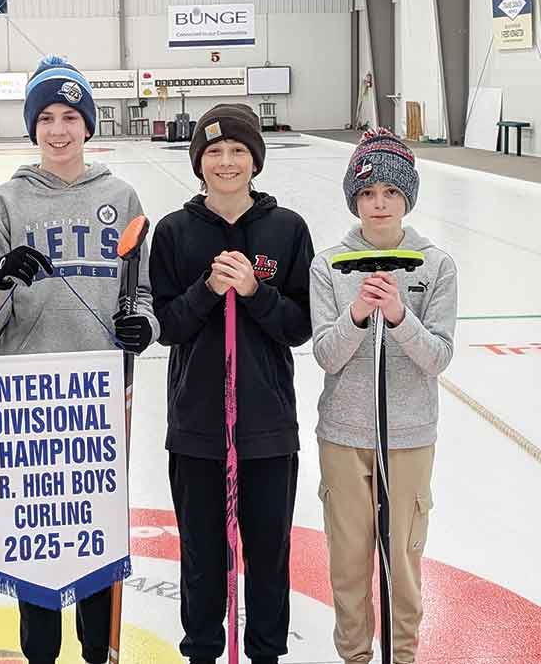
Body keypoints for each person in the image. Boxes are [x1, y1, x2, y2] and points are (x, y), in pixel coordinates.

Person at [0, 54, 159, 664]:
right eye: (46, 116)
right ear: (31, 127)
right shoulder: (4, 204)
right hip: (28, 395)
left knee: (94, 530)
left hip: (100, 394)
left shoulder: (121, 196)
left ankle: (97, 652)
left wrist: (144, 326)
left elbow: (146, 291)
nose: (58, 129)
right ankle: (40, 654)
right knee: (38, 531)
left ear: (88, 124)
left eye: (70, 116)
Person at [149, 103, 314, 664]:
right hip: (197, 428)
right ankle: (201, 652)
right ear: (199, 161)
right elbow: (166, 327)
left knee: (269, 556)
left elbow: (300, 327)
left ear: (255, 160)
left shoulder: (287, 229)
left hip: (267, 428)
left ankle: (266, 654)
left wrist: (254, 293)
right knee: (200, 556)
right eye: (214, 151)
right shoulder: (173, 232)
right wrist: (204, 290)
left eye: (239, 150)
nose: (226, 161)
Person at [309, 127, 458, 664]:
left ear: (406, 199)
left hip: (410, 436)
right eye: (368, 193)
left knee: (403, 562)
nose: (378, 204)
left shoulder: (436, 266)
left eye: (390, 194)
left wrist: (399, 318)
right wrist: (356, 315)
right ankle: (354, 656)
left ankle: (405, 656)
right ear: (355, 198)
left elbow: (438, 357)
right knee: (348, 562)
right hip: (344, 437)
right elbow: (326, 354)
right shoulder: (328, 265)